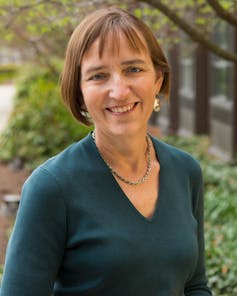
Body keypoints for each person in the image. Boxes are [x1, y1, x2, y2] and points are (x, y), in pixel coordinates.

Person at [0, 7, 212, 296]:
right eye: (99, 76)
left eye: (133, 69)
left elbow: (195, 285)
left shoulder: (186, 171)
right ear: (80, 92)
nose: (119, 90)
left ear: (158, 80)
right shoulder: (51, 187)